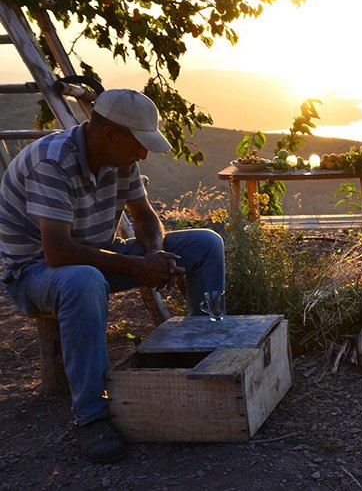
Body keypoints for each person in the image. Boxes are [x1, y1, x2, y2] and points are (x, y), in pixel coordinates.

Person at [0, 89, 225, 464]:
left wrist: (154, 253)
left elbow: (144, 215)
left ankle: (203, 355)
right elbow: (57, 252)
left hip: (93, 259)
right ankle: (91, 415)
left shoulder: (121, 161)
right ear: (109, 134)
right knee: (83, 281)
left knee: (206, 243)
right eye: (139, 144)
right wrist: (138, 267)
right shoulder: (51, 162)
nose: (143, 154)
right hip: (35, 272)